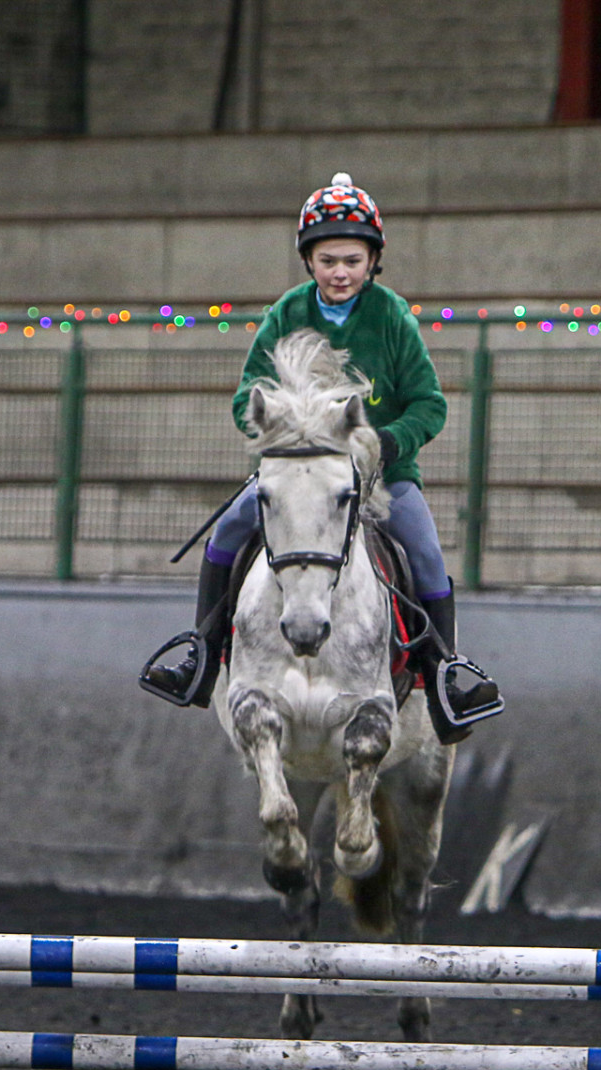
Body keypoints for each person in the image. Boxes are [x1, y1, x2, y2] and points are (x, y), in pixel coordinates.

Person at [139, 173, 502, 744]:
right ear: (309, 261)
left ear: (373, 260)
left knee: (427, 553)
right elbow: (245, 399)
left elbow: (429, 405)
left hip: (382, 478)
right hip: (296, 469)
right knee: (229, 532)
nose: (340, 272)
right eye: (328, 259)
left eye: (353, 260)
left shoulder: (392, 317)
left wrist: (386, 444)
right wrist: (276, 425)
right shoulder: (285, 312)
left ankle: (444, 675)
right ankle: (202, 653)